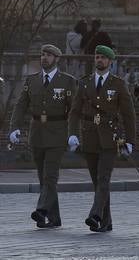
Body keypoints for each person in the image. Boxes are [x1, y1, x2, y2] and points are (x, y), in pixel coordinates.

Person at [68, 45, 137, 232]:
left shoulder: (118, 84)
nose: (99, 60)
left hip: (109, 137)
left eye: (103, 58)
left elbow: (128, 114)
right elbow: (74, 111)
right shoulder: (84, 83)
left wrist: (130, 140)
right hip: (89, 135)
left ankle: (95, 215)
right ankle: (106, 222)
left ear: (110, 62)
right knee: (97, 181)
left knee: (103, 178)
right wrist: (72, 133)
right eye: (97, 57)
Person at [8, 44, 77, 229]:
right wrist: (14, 128)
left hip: (58, 133)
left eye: (48, 55)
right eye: (42, 54)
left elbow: (75, 110)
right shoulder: (32, 81)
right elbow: (20, 105)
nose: (44, 58)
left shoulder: (67, 81)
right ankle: (55, 219)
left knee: (50, 177)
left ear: (57, 59)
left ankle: (41, 210)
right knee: (43, 178)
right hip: (37, 133)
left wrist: (73, 133)